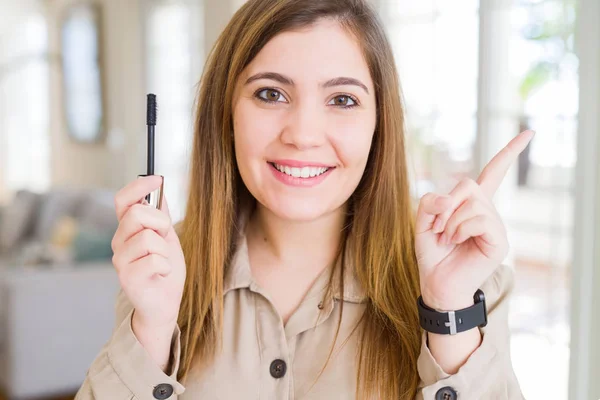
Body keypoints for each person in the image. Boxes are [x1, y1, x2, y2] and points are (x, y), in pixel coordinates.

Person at [76, 0, 532, 398]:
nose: (303, 135)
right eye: (271, 94)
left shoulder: (467, 289)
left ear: (380, 125)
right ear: (227, 113)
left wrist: (447, 310)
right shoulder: (162, 269)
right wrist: (153, 330)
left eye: (343, 100)